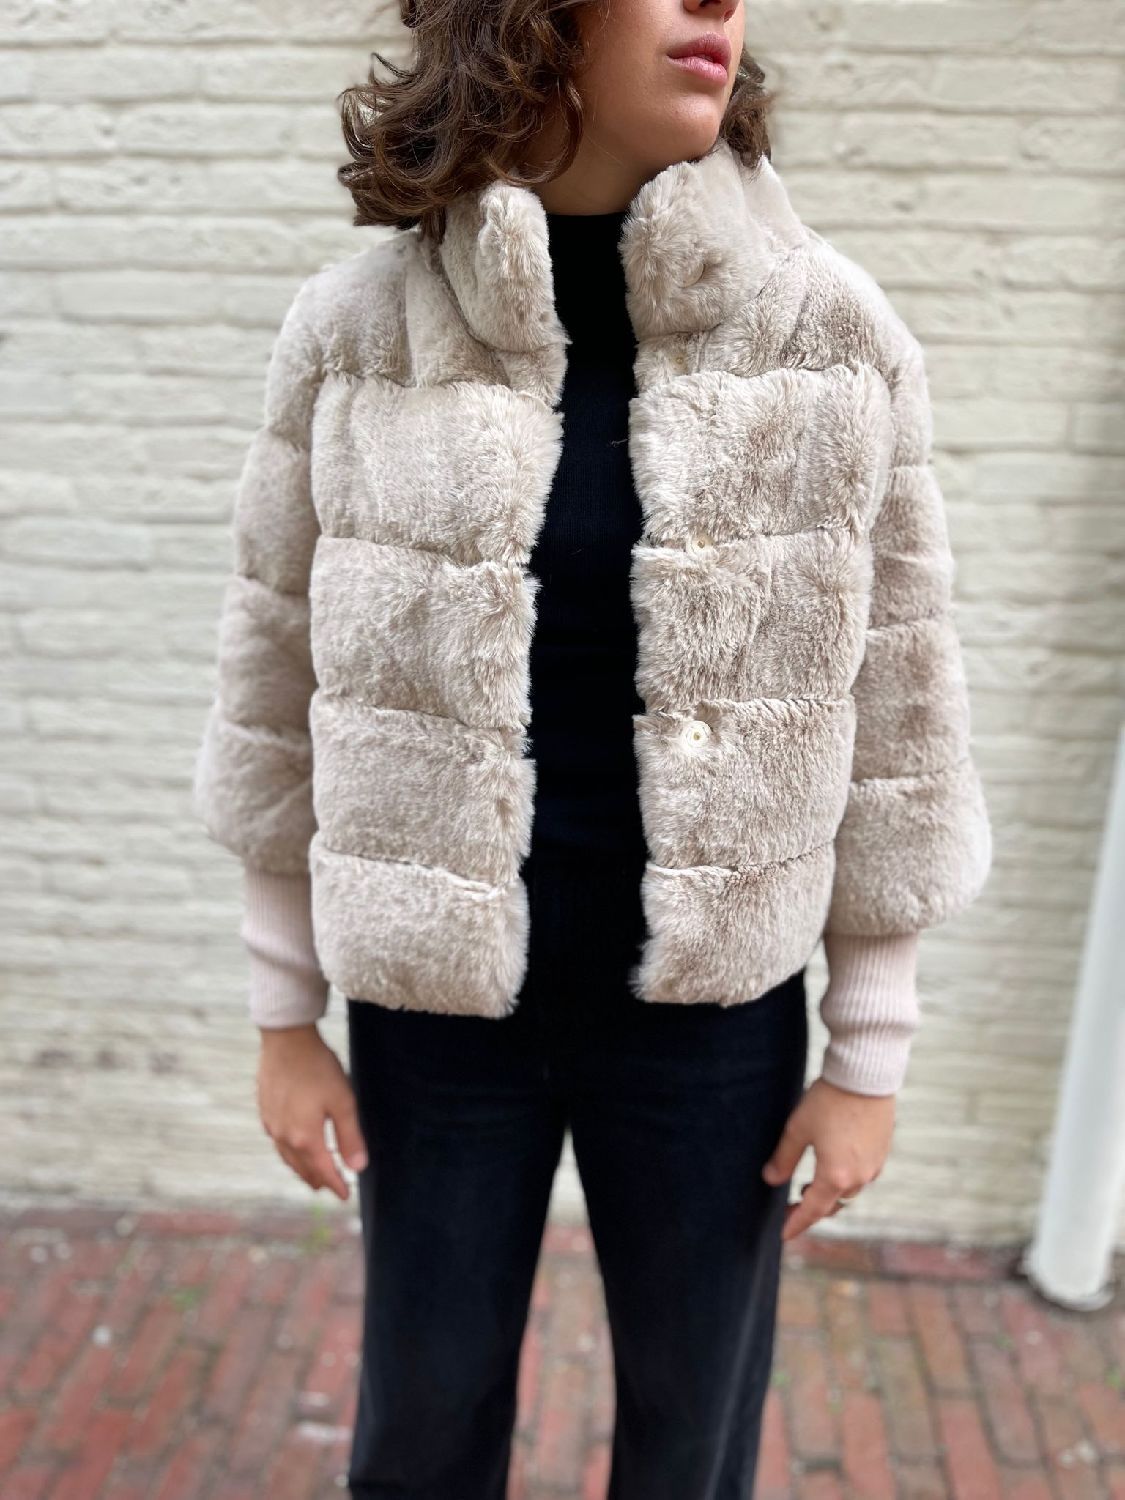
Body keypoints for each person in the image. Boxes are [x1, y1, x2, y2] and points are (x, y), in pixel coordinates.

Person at [192, 1, 993, 1494]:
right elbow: (276, 673)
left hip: (710, 1016)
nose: (717, 3)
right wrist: (282, 1014)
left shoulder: (830, 337)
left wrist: (868, 1051)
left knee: (690, 1439)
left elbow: (900, 707)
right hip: (438, 1009)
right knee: (420, 1431)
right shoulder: (359, 334)